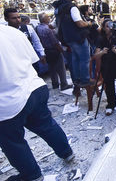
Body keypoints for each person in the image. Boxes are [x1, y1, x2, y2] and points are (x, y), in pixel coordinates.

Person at [0, 26, 74, 181]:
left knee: (12, 141)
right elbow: (34, 61)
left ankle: (32, 175)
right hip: (34, 88)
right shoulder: (12, 32)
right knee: (46, 124)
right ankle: (67, 152)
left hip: (8, 100)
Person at [53, 0, 94, 88]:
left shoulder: (58, 8)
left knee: (75, 59)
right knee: (85, 59)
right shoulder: (71, 7)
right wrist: (89, 24)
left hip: (67, 39)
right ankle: (85, 80)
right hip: (78, 38)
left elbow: (52, 25)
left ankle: (77, 80)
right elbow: (80, 23)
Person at [36, 12, 72, 91]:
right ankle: (64, 84)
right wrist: (62, 51)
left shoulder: (38, 27)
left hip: (46, 50)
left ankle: (55, 84)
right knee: (61, 68)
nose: (49, 18)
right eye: (48, 17)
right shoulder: (48, 29)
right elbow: (55, 42)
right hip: (54, 50)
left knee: (52, 68)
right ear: (45, 19)